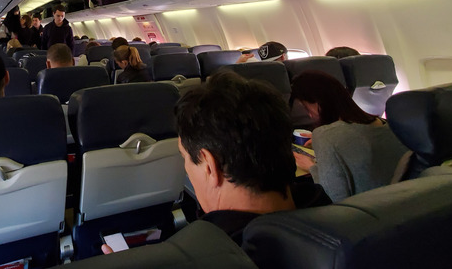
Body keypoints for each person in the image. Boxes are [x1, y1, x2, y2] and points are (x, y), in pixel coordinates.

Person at [102, 72, 329, 254]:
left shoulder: (195, 256)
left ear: (210, 166)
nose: (186, 169)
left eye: (186, 158)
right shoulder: (341, 217)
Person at [290, 70, 409, 202]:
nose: (310, 115)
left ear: (319, 103)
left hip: (366, 213)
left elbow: (334, 198)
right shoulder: (387, 124)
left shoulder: (326, 135)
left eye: (307, 108)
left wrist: (311, 167)